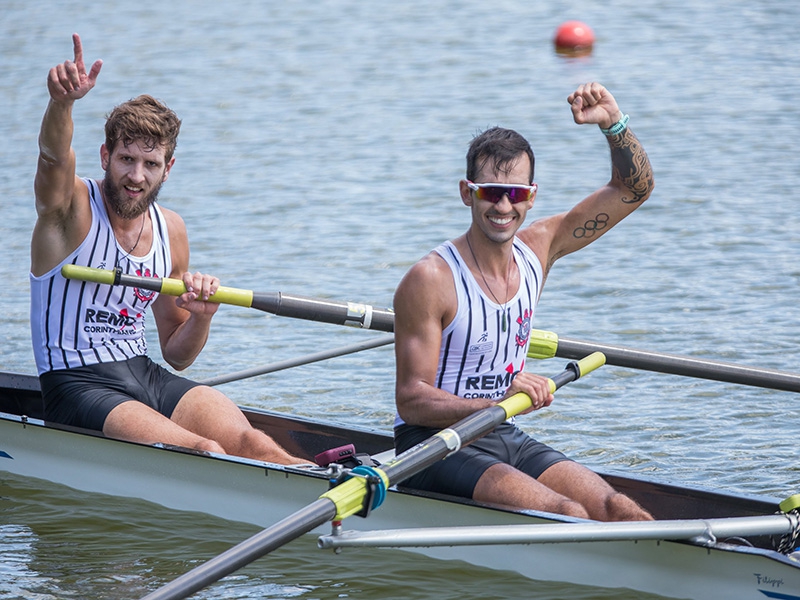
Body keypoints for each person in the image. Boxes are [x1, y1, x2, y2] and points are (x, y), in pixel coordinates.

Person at [30, 34, 305, 465]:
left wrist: (201, 316)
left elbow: (177, 354)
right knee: (206, 451)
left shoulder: (171, 230)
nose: (136, 176)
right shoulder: (70, 209)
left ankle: (334, 491)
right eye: (126, 159)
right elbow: (52, 155)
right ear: (105, 155)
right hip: (76, 385)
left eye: (150, 164)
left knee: (253, 444)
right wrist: (62, 103)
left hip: (145, 376)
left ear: (167, 169)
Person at [393, 82, 655, 521]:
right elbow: (411, 400)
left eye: (515, 194)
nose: (503, 205)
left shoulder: (540, 248)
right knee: (566, 510)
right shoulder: (430, 279)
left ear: (531, 196)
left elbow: (635, 190)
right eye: (490, 191)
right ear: (466, 192)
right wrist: (495, 404)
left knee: (617, 506)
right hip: (431, 444)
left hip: (501, 428)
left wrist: (614, 125)